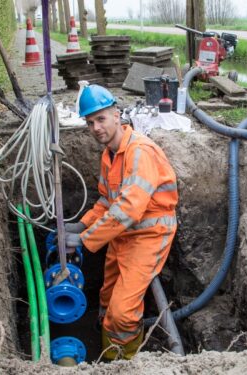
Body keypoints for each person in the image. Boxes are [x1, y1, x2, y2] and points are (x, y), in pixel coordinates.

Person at [64, 85, 178, 360]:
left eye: (101, 119)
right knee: (107, 298)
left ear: (117, 115)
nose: (96, 128)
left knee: (123, 312)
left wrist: (85, 239)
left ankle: (125, 362)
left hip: (149, 235)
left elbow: (129, 207)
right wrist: (81, 224)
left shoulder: (140, 152)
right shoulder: (109, 155)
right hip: (122, 234)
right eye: (90, 122)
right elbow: (106, 201)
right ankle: (107, 351)